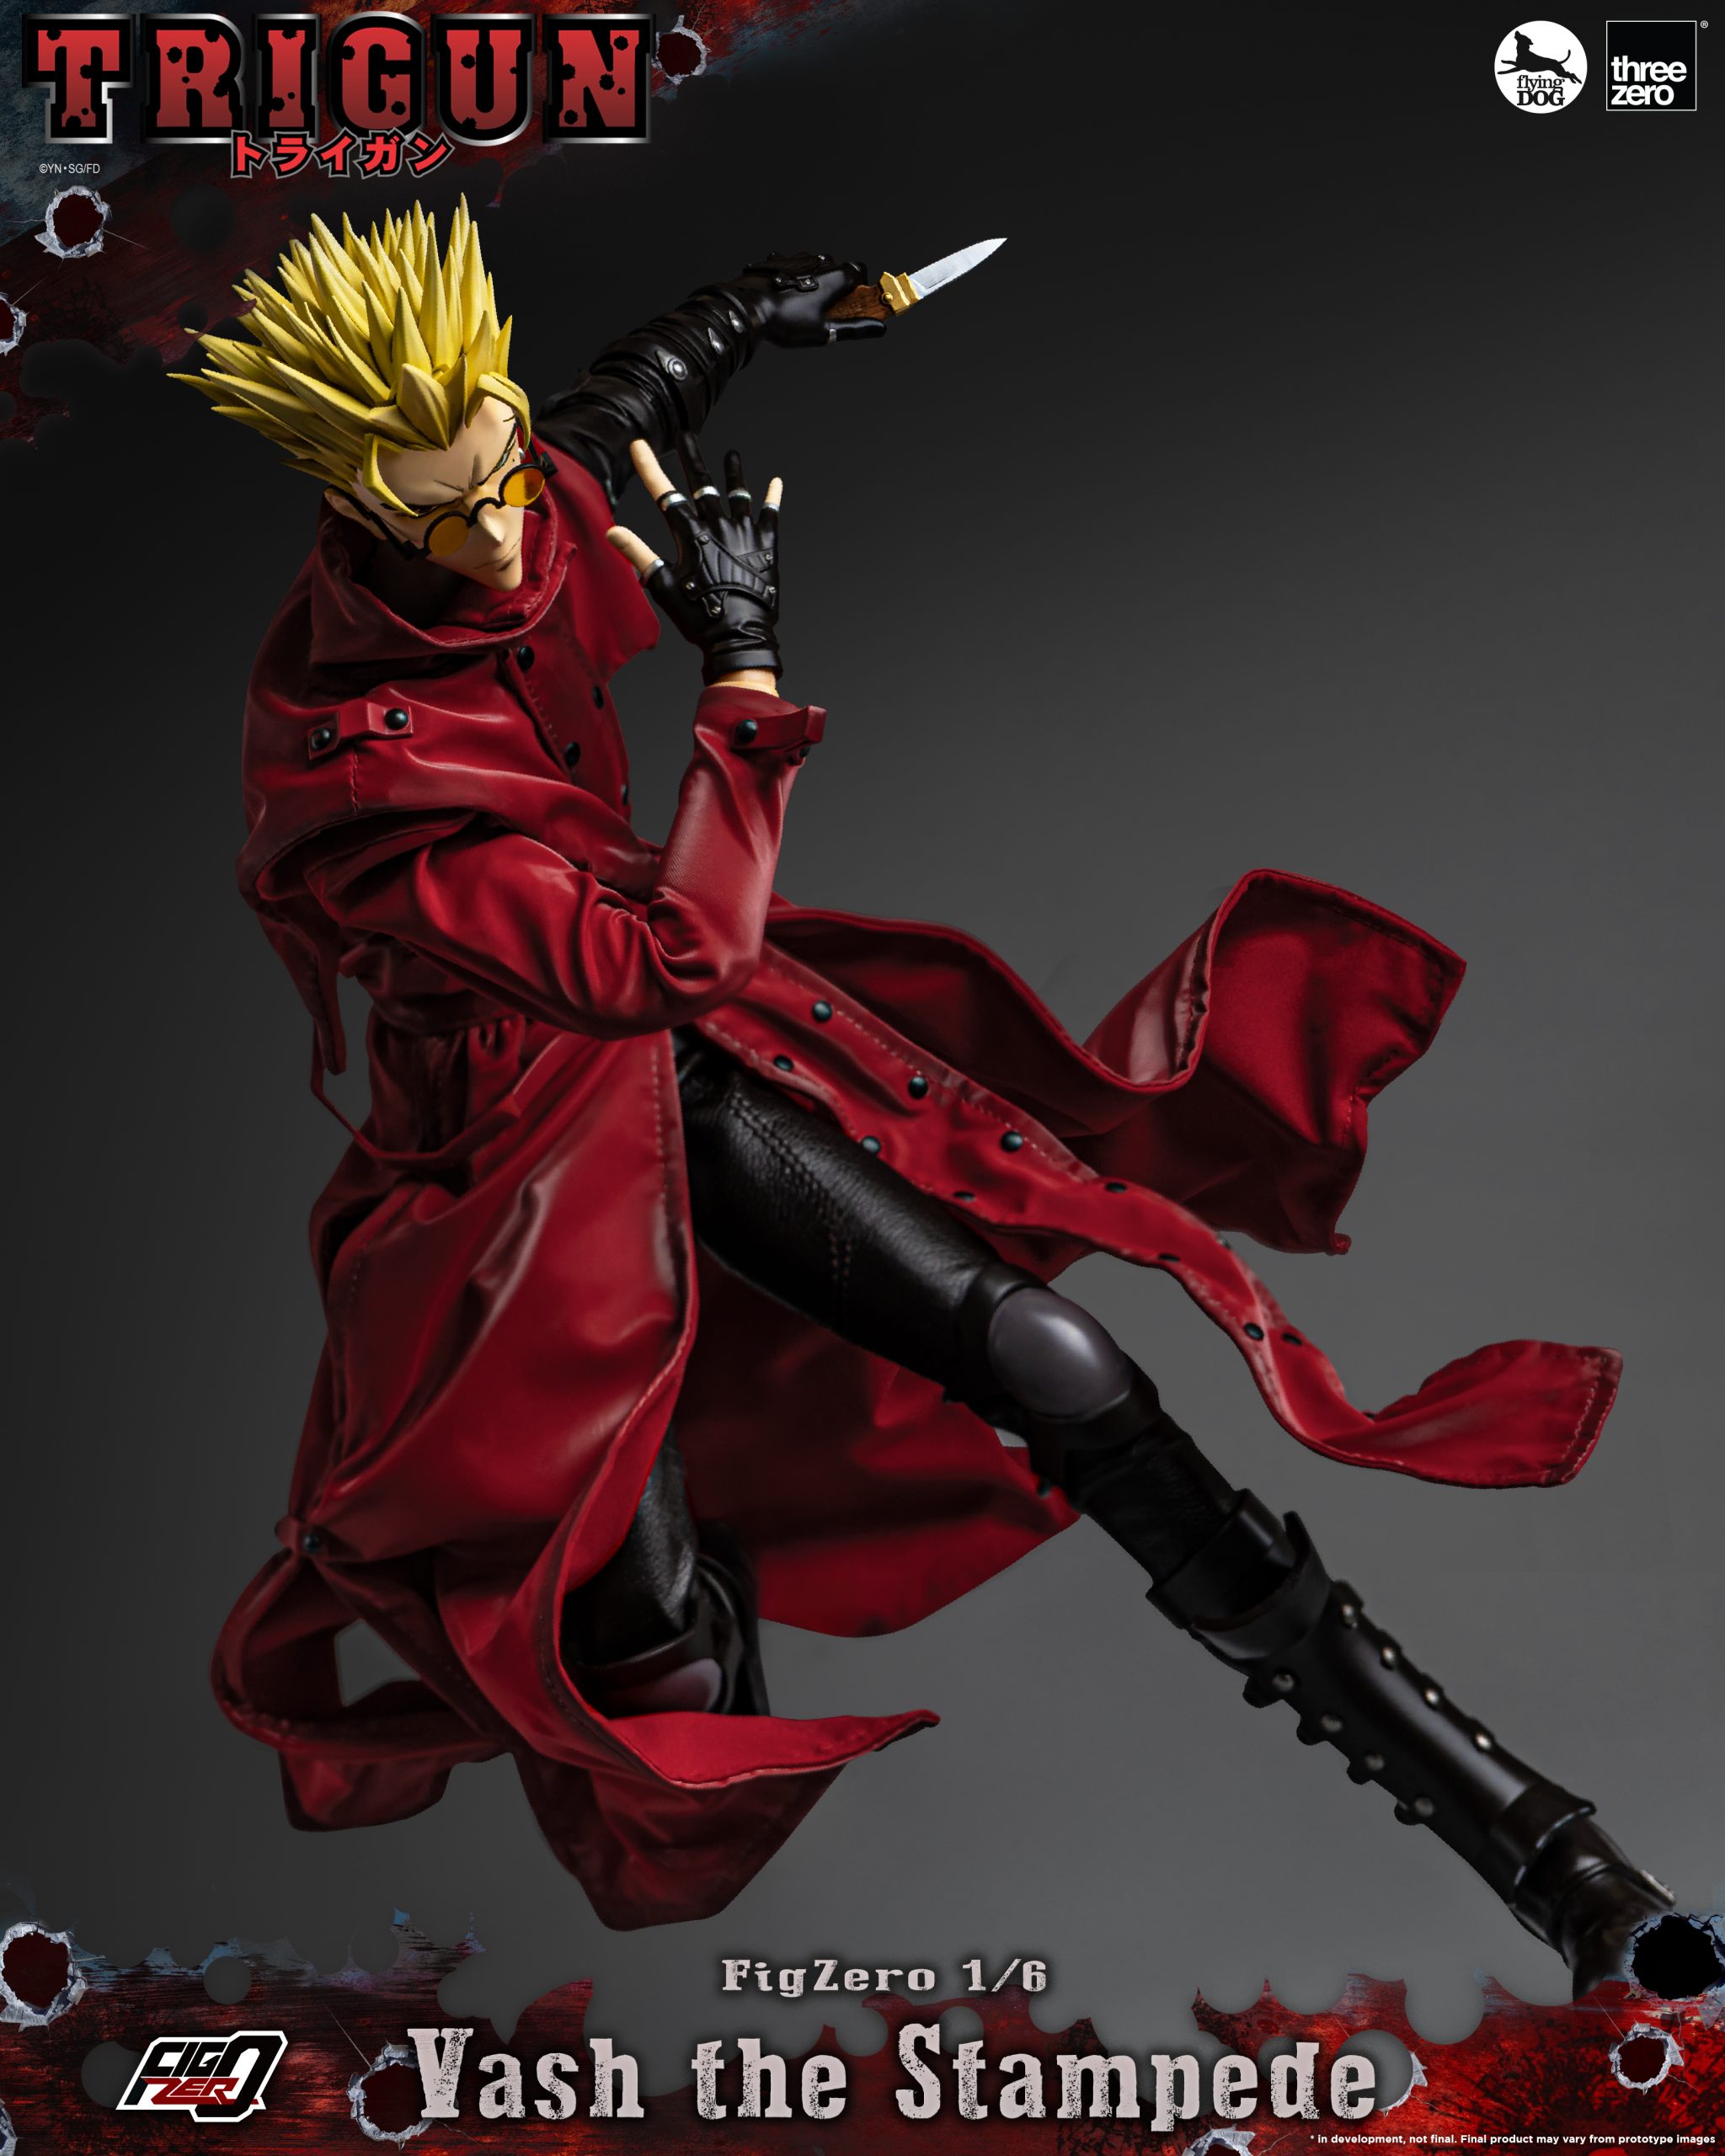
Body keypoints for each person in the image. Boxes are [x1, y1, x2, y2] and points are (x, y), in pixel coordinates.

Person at [174, 201, 1701, 1998]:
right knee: (648, 1661)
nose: (510, 530)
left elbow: (613, 409)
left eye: (505, 472)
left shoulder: (495, 489)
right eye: (454, 512)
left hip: (667, 1080)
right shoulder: (373, 790)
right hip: (520, 1182)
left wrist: (769, 299)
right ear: (359, 506)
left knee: (1059, 1360)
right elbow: (670, 955)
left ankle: (1544, 1852)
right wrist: (741, 667)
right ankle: (665, 1577)